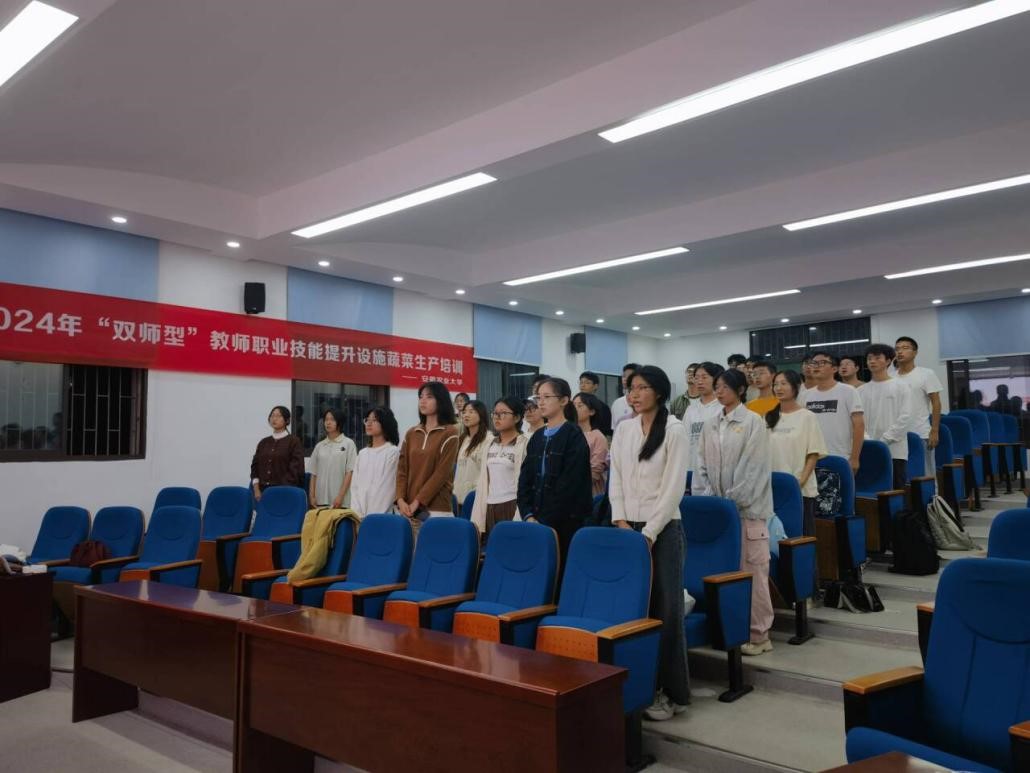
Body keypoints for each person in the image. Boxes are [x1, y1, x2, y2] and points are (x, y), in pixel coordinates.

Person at [609, 365, 691, 721]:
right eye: (631, 388)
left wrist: (649, 532)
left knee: (665, 612)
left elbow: (673, 489)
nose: (635, 394)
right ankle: (637, 686)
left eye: (642, 387)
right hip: (628, 528)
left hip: (664, 530)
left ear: (659, 392)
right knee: (634, 610)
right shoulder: (624, 429)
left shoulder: (674, 429)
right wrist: (620, 520)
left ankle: (670, 692)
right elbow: (616, 477)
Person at [697, 369, 775, 655]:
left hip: (746, 512)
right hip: (720, 513)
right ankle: (729, 630)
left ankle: (759, 636)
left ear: (741, 390)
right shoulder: (710, 424)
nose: (719, 391)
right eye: (717, 386)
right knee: (725, 574)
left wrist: (730, 503)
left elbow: (753, 470)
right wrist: (711, 503)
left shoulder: (753, 422)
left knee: (753, 574)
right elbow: (702, 465)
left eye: (725, 387)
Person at [517, 377, 592, 568]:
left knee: (560, 571)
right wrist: (528, 515)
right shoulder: (537, 437)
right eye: (538, 397)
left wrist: (543, 520)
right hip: (534, 520)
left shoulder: (573, 435)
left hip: (565, 523)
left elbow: (570, 485)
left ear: (564, 400)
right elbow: (524, 480)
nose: (540, 402)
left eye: (547, 397)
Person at [767, 370, 827, 537]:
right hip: (773, 487)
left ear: (796, 387)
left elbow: (813, 454)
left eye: (783, 383)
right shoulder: (769, 417)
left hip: (800, 488)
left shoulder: (807, 417)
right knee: (776, 537)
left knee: (802, 536)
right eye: (775, 384)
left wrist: (799, 482)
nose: (778, 388)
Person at [396, 382, 460, 532]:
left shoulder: (450, 432)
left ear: (441, 400)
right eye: (421, 397)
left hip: (437, 509)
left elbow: (441, 474)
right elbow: (402, 470)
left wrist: (418, 502)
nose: (423, 401)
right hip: (408, 510)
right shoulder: (412, 433)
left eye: (429, 397)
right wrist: (400, 500)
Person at [470, 397, 528, 538]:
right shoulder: (490, 444)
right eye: (495, 413)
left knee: (511, 545)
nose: (497, 417)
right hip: (489, 504)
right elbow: (484, 481)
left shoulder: (524, 444)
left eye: (503, 413)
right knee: (492, 546)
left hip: (511, 504)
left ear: (516, 418)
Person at [801, 352, 864, 474]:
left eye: (822, 363)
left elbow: (859, 425)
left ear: (834, 368)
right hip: (811, 458)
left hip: (840, 457)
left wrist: (855, 458)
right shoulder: (805, 395)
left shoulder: (848, 391)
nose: (816, 366)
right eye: (814, 363)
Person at [859, 344, 912, 488]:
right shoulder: (860, 391)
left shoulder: (901, 386)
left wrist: (884, 440)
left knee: (895, 491)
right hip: (868, 448)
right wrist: (869, 441)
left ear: (888, 361)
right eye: (869, 358)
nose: (872, 361)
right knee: (870, 491)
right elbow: (857, 421)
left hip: (895, 450)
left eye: (877, 358)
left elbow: (905, 417)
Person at [893, 337, 943, 478]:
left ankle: (931, 493)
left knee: (925, 474)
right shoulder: (891, 377)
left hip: (920, 432)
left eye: (905, 348)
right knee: (901, 476)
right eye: (897, 349)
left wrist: (934, 430)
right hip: (897, 436)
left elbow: (936, 403)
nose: (900, 352)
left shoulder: (926, 374)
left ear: (915, 352)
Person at [350, 407, 401, 518]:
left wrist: (371, 517)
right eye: (367, 420)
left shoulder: (392, 452)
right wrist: (357, 514)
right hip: (359, 517)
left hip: (381, 516)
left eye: (374, 420)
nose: (368, 423)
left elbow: (387, 489)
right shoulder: (362, 453)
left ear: (385, 423)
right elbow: (354, 487)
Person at [684, 362, 724, 495]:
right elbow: (685, 441)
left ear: (716, 379)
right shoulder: (691, 409)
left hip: (717, 471)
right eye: (697, 378)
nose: (699, 381)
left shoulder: (722, 408)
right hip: (693, 470)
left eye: (704, 377)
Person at [251, 405, 305, 501]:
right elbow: (255, 467)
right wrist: (256, 489)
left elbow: (296, 470)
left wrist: (279, 490)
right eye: (272, 416)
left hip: (285, 492)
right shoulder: (263, 442)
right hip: (262, 493)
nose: (274, 419)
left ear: (287, 420)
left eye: (278, 416)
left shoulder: (294, 442)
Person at [308, 408, 358, 508]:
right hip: (320, 500)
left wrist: (340, 497)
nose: (328, 422)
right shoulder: (319, 446)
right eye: (326, 419)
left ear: (339, 422)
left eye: (332, 419)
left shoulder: (349, 443)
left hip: (341, 501)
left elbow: (350, 472)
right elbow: (314, 473)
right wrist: (312, 495)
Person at [454, 400, 490, 506]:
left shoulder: (489, 439)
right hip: (458, 497)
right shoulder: (464, 438)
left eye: (471, 411)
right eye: (464, 412)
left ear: (481, 414)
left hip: (476, 498)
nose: (466, 415)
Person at [573, 392, 610, 495]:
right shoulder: (568, 434)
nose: (575, 409)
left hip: (589, 492)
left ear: (592, 411)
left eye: (580, 405)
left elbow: (595, 470)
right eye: (573, 405)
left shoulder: (598, 437)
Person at [578, 371, 613, 435]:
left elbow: (607, 430)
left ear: (595, 386)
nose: (583, 385)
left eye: (587, 383)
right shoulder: (574, 403)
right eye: (581, 382)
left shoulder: (603, 407)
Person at [609, 363, 641, 431]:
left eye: (629, 376)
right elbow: (615, 430)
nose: (625, 379)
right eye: (623, 376)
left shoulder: (643, 402)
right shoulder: (617, 403)